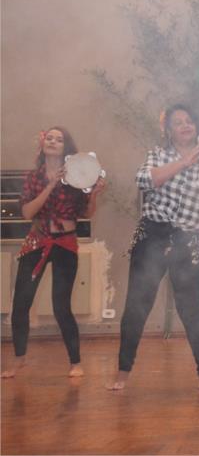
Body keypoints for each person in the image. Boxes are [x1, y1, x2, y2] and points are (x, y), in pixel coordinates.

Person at [107, 104, 199, 390]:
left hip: (190, 240)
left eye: (189, 121)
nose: (186, 125)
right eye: (178, 122)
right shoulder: (158, 154)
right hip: (153, 236)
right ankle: (122, 372)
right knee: (136, 306)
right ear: (168, 130)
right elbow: (144, 180)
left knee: (192, 309)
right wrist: (184, 162)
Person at [1, 127, 105, 379]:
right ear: (43, 144)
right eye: (50, 138)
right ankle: (19, 359)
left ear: (65, 147)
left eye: (59, 139)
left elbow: (86, 213)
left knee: (61, 306)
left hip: (65, 243)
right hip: (37, 241)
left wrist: (94, 195)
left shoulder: (76, 176)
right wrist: (50, 184)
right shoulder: (34, 177)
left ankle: (75, 362)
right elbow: (27, 212)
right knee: (21, 304)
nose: (53, 142)